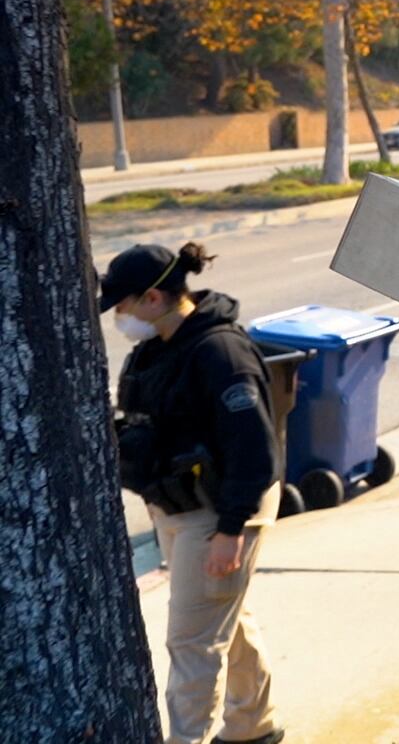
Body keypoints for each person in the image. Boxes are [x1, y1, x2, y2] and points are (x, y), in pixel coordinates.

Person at [100, 242, 284, 744]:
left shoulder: (219, 351)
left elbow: (253, 450)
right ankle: (254, 726)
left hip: (220, 510)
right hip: (180, 507)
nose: (120, 316)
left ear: (154, 298)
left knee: (192, 642)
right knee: (224, 620)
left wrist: (231, 529)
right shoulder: (156, 350)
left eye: (123, 305)